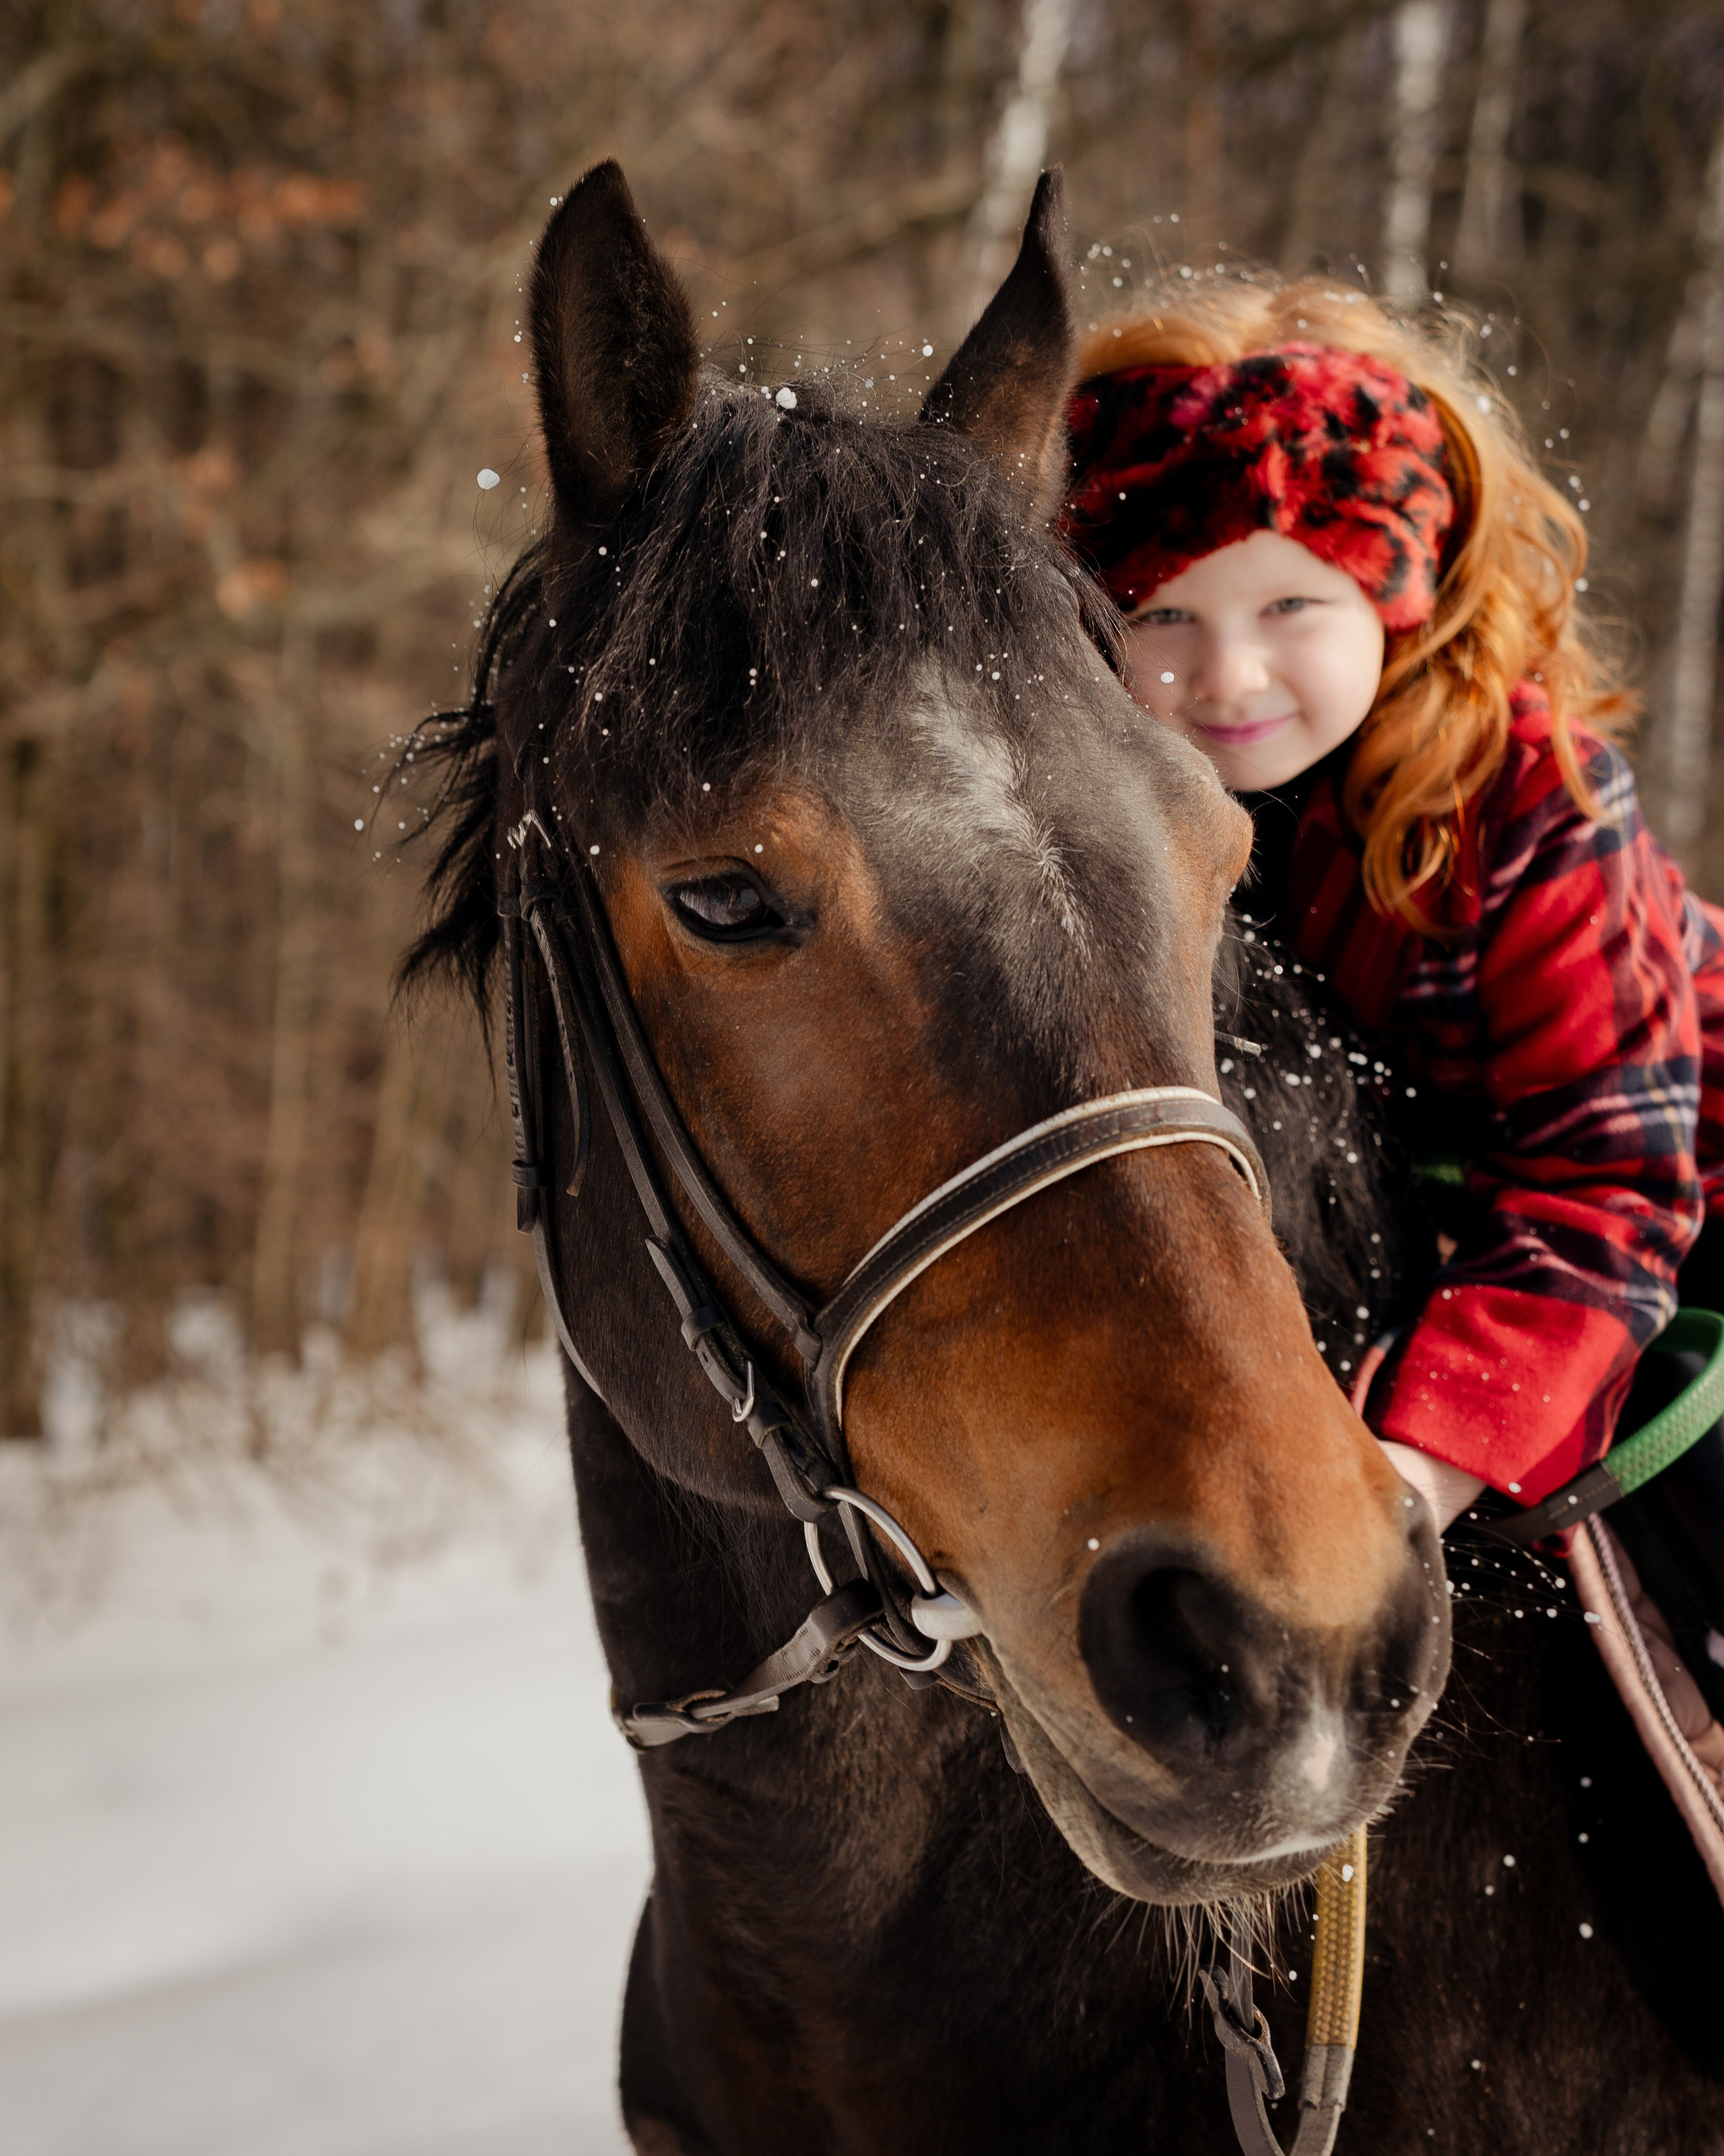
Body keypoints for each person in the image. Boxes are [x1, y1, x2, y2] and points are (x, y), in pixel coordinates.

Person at [1061, 280, 1724, 1529]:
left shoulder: (1528, 798)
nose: (1228, 673)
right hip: (1411, 1203)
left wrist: (1424, 1467)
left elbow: (1609, 1179)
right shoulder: (1115, 795)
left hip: (1667, 1189)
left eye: (1291, 605)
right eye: (1161, 612)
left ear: (1401, 590)